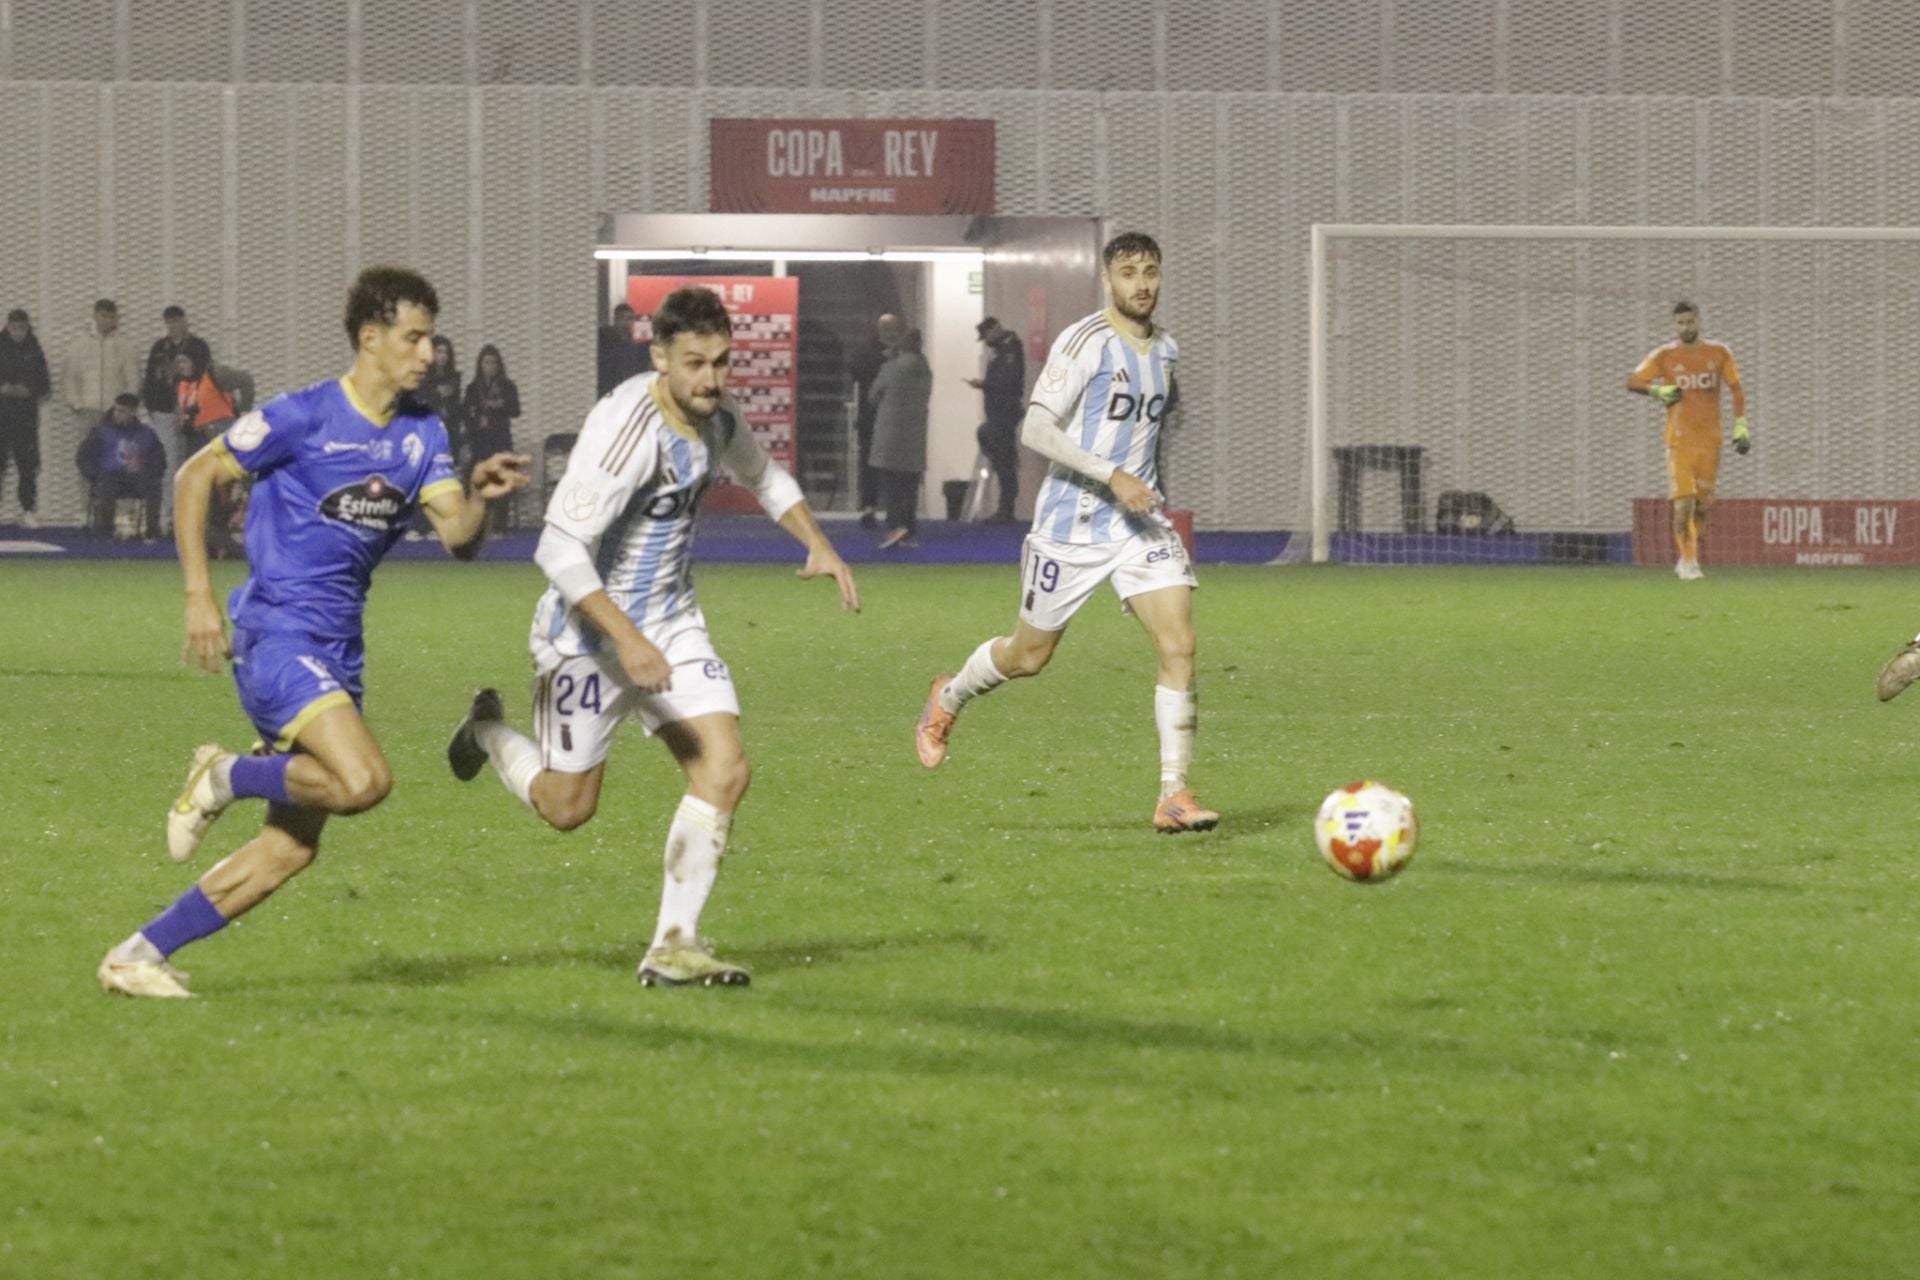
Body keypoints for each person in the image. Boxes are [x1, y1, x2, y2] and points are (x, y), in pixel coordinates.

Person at [96, 267, 530, 999]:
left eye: (431, 338)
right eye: (414, 337)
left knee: (290, 847)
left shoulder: (423, 432)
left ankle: (136, 954)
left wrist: (482, 499)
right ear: (371, 337)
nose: (429, 353)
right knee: (365, 782)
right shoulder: (302, 417)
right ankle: (225, 773)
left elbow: (458, 535)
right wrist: (199, 596)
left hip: (337, 649)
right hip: (276, 633)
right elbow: (194, 477)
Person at [446, 285, 859, 988]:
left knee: (724, 768)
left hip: (672, 621)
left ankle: (675, 944)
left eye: (722, 362)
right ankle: (487, 733)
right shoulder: (625, 433)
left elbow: (764, 476)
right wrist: (626, 642)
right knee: (567, 808)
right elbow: (557, 549)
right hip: (585, 638)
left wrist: (817, 542)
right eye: (694, 363)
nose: (711, 379)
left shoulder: (718, 417)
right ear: (659, 356)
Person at [913, 232, 1216, 835]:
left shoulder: (1167, 351)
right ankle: (948, 696)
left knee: (1179, 646)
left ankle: (1174, 794)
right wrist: (1112, 474)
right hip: (1071, 523)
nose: (1142, 284)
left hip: (1138, 525)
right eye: (1128, 272)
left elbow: (1142, 437)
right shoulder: (1085, 342)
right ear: (1108, 280)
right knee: (1029, 656)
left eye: (1151, 271)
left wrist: (1142, 488)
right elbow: (1036, 430)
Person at [1626, 301, 1749, 580]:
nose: (1685, 327)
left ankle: (1688, 556)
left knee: (1703, 507)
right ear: (1674, 325)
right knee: (1683, 503)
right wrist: (1657, 391)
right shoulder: (1665, 355)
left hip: (1710, 441)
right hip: (1679, 442)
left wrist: (1741, 425)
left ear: (1699, 322)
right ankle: (1689, 562)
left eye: (1690, 322)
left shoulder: (1719, 353)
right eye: (1680, 323)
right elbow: (1633, 381)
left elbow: (1736, 389)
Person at [63, 300, 142, 500]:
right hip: (88, 411)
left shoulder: (125, 346)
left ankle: (113, 507)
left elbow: (133, 380)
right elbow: (70, 378)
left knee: (116, 459)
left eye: (110, 316)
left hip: (114, 415)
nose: (106, 320)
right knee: (87, 460)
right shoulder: (79, 345)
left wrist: (125, 410)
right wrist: (77, 404)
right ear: (95, 316)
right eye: (103, 315)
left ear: (115, 318)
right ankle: (86, 508)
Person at [143, 305, 212, 527]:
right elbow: (150, 380)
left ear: (184, 321)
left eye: (176, 321)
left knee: (192, 464)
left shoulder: (198, 347)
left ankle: (194, 517)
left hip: (192, 415)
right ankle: (168, 517)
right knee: (169, 466)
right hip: (164, 411)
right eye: (169, 322)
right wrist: (151, 407)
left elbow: (204, 377)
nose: (173, 326)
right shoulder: (159, 348)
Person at [868, 328, 933, 549]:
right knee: (910, 486)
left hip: (891, 435)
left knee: (892, 485)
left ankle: (895, 527)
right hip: (915, 435)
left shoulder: (891, 368)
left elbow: (874, 395)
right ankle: (909, 529)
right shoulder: (925, 370)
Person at [75, 392, 166, 540]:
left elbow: (159, 460)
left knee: (153, 485)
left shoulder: (147, 433)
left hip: (138, 477)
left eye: (122, 411)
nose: (117, 414)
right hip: (109, 477)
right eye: (116, 410)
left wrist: (152, 473)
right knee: (106, 482)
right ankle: (105, 532)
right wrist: (94, 475)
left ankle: (152, 531)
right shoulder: (101, 432)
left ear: (133, 412)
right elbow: (83, 457)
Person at [966, 316, 1026, 521]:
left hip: (1005, 413)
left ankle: (1006, 509)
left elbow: (1007, 382)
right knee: (1001, 460)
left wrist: (984, 385)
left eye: (986, 336)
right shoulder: (1004, 350)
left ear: (995, 330)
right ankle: (1004, 508)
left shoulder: (1010, 351)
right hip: (999, 412)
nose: (986, 341)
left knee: (1005, 461)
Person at [848, 312, 903, 527]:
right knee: (868, 464)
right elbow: (857, 371)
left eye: (893, 329)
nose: (889, 333)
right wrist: (883, 360)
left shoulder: (904, 354)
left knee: (894, 465)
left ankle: (894, 508)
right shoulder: (866, 352)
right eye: (885, 329)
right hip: (871, 417)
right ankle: (869, 506)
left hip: (895, 418)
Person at [0, 308, 51, 527]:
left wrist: (28, 390)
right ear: (8, 326)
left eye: (22, 328)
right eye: (14, 327)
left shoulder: (34, 349)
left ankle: (28, 509)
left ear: (27, 327)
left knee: (27, 465)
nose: (18, 332)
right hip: (1, 414)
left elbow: (44, 385)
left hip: (25, 417)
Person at [464, 343, 520, 531]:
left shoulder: (507, 386)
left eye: (493, 363)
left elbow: (516, 410)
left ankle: (500, 525)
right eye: (486, 362)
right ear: (480, 365)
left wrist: (500, 405)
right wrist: (475, 423)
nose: (490, 366)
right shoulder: (473, 388)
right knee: (475, 482)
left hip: (500, 439)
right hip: (480, 442)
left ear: (499, 365)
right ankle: (475, 523)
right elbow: (465, 413)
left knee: (502, 481)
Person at [597, 302, 647, 396]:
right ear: (615, 320)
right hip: (607, 390)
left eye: (630, 318)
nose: (626, 322)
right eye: (622, 318)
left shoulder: (636, 347)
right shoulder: (604, 342)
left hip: (627, 391)